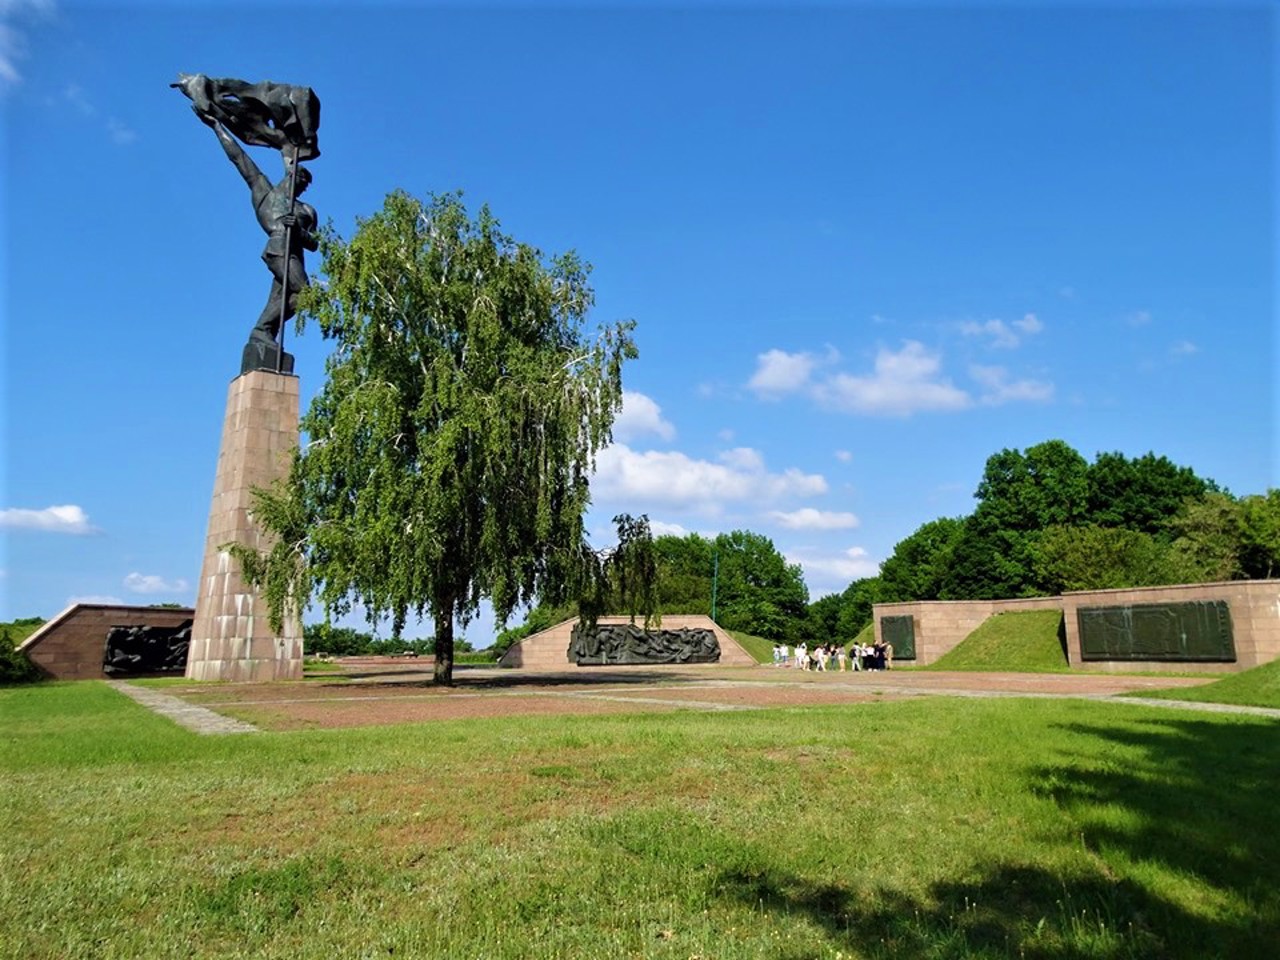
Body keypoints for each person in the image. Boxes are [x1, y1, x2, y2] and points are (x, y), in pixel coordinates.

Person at [200, 113, 318, 354]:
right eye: (301, 179)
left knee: (282, 301)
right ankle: (262, 330)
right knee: (306, 295)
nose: (303, 186)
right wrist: (217, 127)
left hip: (295, 255)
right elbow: (239, 159)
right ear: (291, 175)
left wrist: (298, 228)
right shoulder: (267, 194)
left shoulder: (307, 210)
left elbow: (315, 243)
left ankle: (263, 332)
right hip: (278, 250)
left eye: (306, 185)